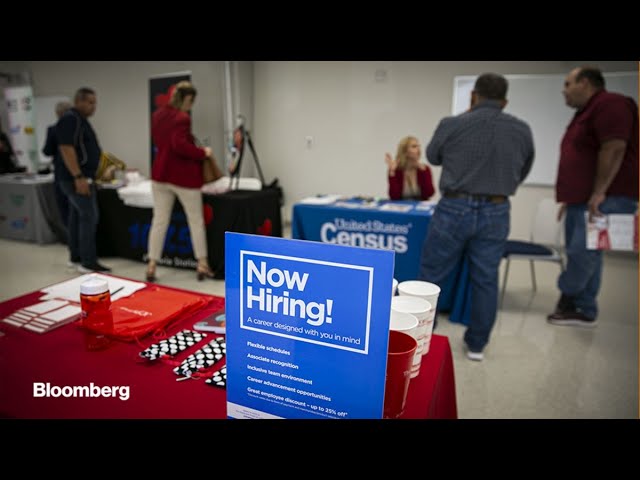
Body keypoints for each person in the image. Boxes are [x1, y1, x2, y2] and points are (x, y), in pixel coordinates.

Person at [418, 73, 534, 361]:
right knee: (485, 279)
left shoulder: (453, 124)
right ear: (505, 101)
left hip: (453, 207)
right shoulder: (521, 129)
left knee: (432, 275)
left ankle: (421, 337)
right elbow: (524, 167)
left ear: (473, 96)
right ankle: (477, 345)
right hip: (497, 209)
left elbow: (432, 156)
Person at [547, 66, 638, 327]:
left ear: (585, 83)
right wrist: (571, 197)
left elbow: (614, 148)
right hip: (584, 198)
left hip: (605, 197)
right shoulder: (585, 112)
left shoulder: (611, 104)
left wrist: (599, 192)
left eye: (567, 84)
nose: (563, 91)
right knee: (590, 253)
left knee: (582, 252)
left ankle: (571, 299)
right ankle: (584, 308)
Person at [146, 80, 223, 282]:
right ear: (187, 99)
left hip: (160, 174)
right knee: (196, 222)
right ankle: (202, 263)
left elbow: (161, 142)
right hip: (183, 177)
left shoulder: (157, 115)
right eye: (191, 102)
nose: (191, 106)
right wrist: (202, 152)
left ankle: (152, 264)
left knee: (159, 221)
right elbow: (179, 145)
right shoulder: (182, 118)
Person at [56, 87, 111, 273]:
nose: (93, 106)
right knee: (89, 216)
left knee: (76, 217)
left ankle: (76, 256)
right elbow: (66, 148)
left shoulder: (81, 121)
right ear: (79, 101)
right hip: (76, 178)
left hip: (81, 176)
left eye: (95, 103)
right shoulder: (71, 120)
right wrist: (78, 176)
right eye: (90, 102)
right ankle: (88, 261)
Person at [42, 101, 72, 243]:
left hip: (61, 174)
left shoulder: (53, 130)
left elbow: (47, 151)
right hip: (78, 175)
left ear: (58, 113)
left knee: (64, 208)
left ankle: (70, 240)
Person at [385, 136, 435, 200]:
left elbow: (430, 193)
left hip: (420, 206)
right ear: (405, 151)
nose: (418, 149)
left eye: (418, 146)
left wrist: (423, 173)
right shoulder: (396, 170)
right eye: (414, 146)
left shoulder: (424, 169)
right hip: (403, 207)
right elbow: (394, 196)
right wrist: (392, 172)